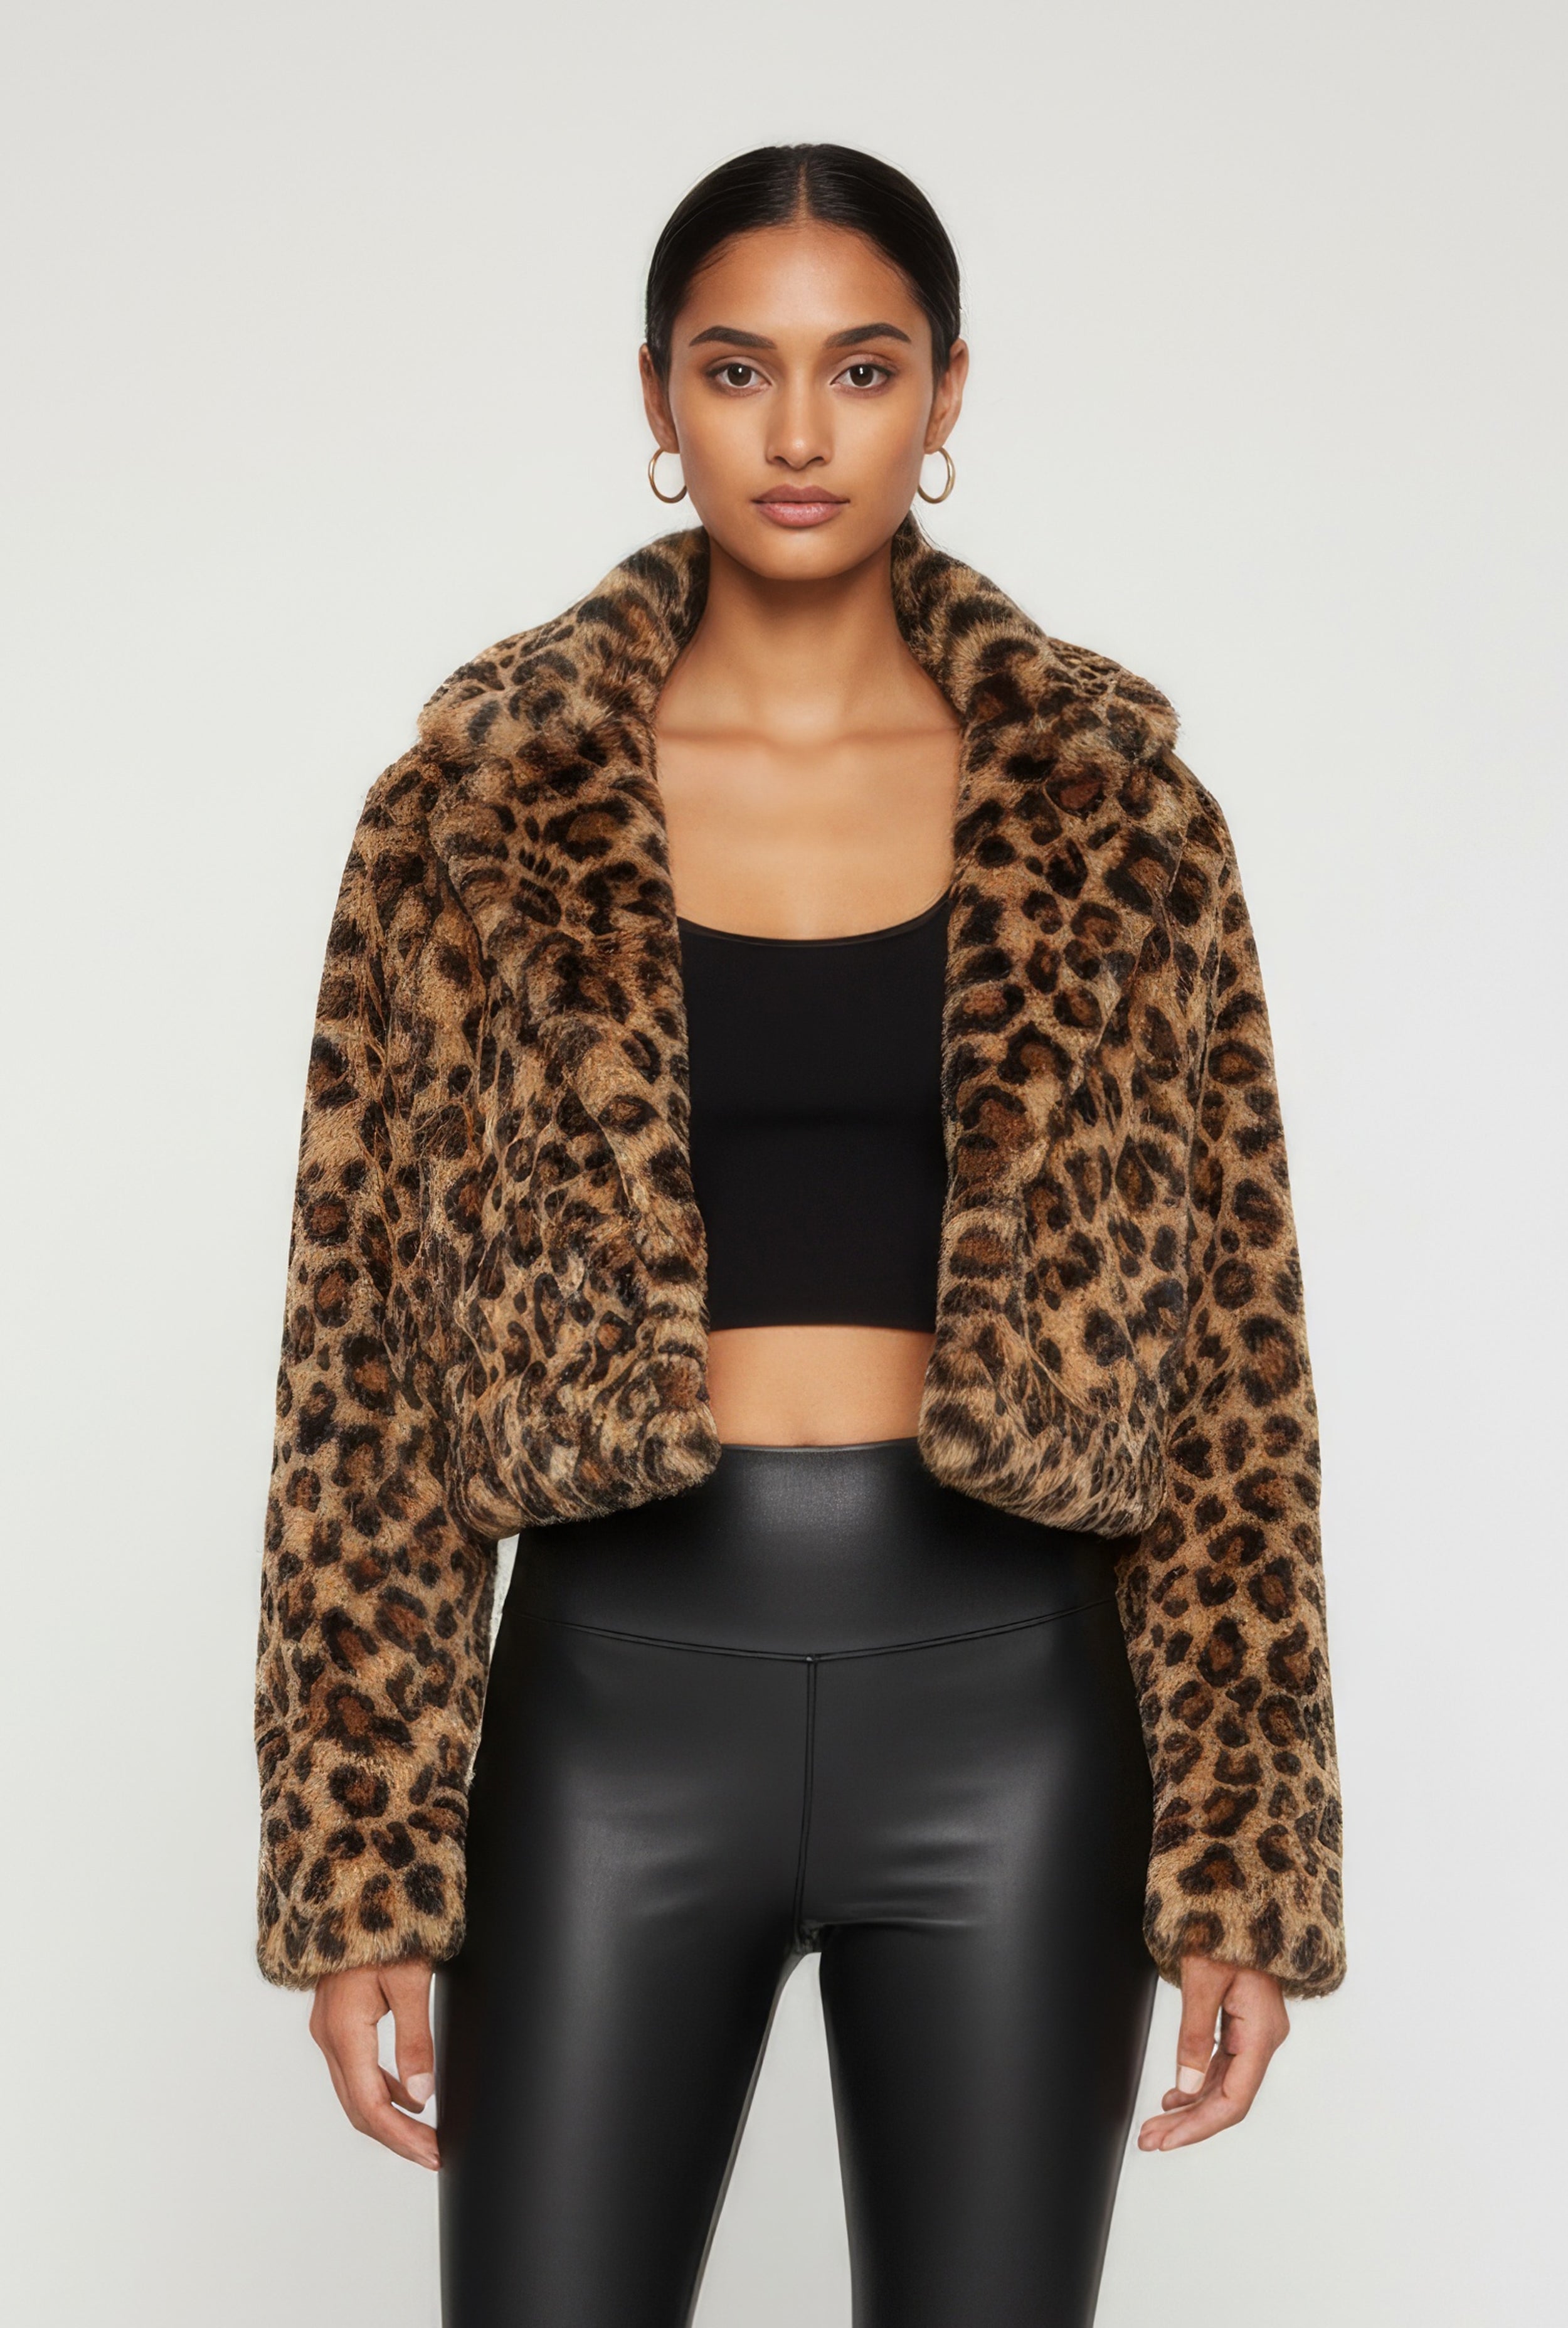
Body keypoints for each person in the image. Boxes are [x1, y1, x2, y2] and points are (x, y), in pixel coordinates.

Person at [253, 142, 1345, 2328]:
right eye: (735, 368)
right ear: (656, 397)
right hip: (611, 1705)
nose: (797, 430)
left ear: (946, 395)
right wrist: (358, 1862)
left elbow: (1234, 1354)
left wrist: (1246, 1846)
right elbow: (355, 1348)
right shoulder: (471, 805)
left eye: (861, 368)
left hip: (1014, 1711)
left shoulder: (1116, 810)